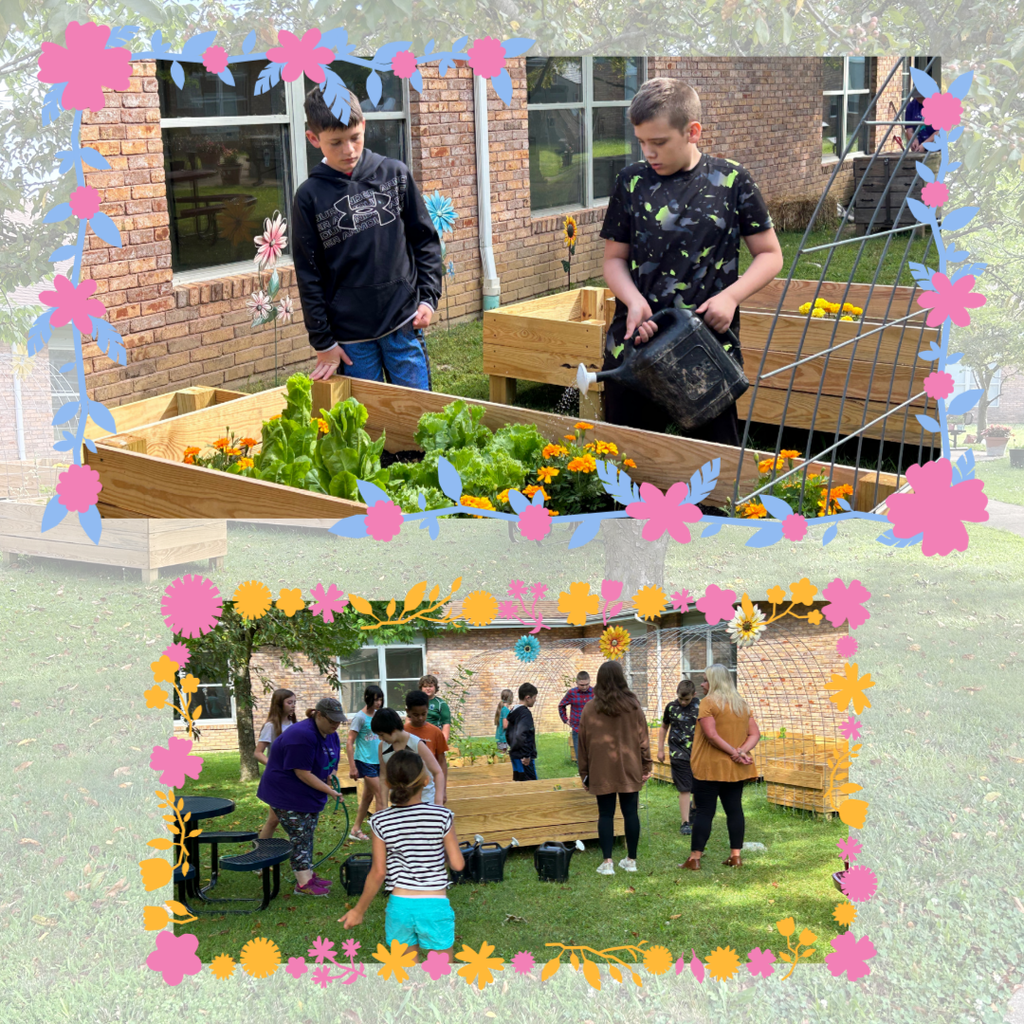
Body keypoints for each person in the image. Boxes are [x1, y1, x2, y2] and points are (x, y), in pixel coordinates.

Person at [599, 77, 784, 446]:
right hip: (635, 344)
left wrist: (731, 298)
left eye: (659, 142)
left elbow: (770, 255)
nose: (649, 153)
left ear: (692, 132)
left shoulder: (731, 180)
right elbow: (613, 260)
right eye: (641, 142)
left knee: (714, 468)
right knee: (624, 461)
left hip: (706, 347)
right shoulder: (630, 181)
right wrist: (635, 301)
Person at [292, 85, 443, 388]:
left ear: (364, 126)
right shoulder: (309, 197)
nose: (348, 150)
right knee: (366, 422)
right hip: (350, 337)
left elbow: (424, 240)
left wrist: (428, 298)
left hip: (403, 321)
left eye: (354, 138)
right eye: (335, 143)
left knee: (418, 413)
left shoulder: (395, 174)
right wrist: (323, 341)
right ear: (313, 139)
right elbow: (309, 274)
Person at [339, 749, 465, 961]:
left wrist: (359, 911)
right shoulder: (442, 816)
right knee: (441, 972)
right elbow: (458, 864)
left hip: (400, 906)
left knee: (407, 972)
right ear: (426, 781)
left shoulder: (380, 821)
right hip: (434, 904)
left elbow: (378, 872)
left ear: (387, 783)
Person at [255, 697, 344, 896]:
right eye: (332, 720)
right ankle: (303, 884)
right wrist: (329, 791)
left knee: (308, 831)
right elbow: (302, 772)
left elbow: (331, 761)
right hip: (285, 791)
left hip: (307, 792)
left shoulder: (330, 734)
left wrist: (331, 776)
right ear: (318, 715)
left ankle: (308, 874)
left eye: (339, 720)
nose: (336, 724)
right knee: (300, 834)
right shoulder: (301, 736)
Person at [682, 664, 761, 871]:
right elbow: (755, 734)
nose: (702, 683)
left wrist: (735, 752)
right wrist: (741, 752)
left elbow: (711, 735)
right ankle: (735, 857)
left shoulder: (708, 702)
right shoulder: (741, 704)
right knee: (735, 810)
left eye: (705, 680)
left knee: (704, 812)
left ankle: (694, 859)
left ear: (715, 681)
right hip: (735, 770)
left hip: (709, 768)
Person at [577, 660, 652, 875]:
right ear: (622, 678)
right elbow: (643, 739)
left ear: (599, 680)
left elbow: (582, 744)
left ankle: (607, 862)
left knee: (606, 814)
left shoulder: (590, 708)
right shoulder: (633, 706)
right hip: (629, 766)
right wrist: (646, 765)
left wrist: (585, 773)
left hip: (601, 769)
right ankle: (631, 860)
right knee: (631, 813)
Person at [372, 707, 446, 807]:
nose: (381, 738)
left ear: (392, 729)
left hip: (424, 801)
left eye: (382, 735)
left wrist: (438, 803)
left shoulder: (417, 744)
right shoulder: (382, 746)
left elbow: (438, 772)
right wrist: (384, 806)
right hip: (399, 801)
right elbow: (383, 777)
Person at [657, 678, 701, 835]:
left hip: (697, 753)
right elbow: (664, 727)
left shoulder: (700, 706)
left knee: (697, 786)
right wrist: (660, 749)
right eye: (680, 698)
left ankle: (694, 810)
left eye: (686, 699)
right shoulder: (671, 707)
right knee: (684, 788)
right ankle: (685, 822)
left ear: (694, 695)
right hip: (678, 753)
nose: (683, 702)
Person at [254, 688, 298, 843]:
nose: (293, 705)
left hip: (295, 779)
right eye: (289, 702)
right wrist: (275, 766)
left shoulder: (295, 725)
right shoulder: (271, 726)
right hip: (278, 780)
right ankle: (259, 859)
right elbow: (258, 752)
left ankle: (299, 856)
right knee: (274, 819)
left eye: (294, 702)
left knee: (296, 820)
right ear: (279, 704)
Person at [347, 685, 384, 842]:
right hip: (364, 761)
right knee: (381, 795)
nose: (379, 703)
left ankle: (355, 830)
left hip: (378, 762)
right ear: (368, 699)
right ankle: (381, 833)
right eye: (376, 699)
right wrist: (352, 767)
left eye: (380, 699)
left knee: (367, 798)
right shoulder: (360, 718)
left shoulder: (378, 716)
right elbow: (349, 742)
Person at [405, 690, 449, 800]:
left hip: (430, 789)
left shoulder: (435, 732)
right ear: (408, 711)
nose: (420, 718)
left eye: (423, 714)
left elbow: (441, 761)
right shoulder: (402, 732)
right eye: (415, 715)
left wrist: (442, 790)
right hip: (407, 787)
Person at [558, 671, 594, 763]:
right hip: (577, 730)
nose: (584, 687)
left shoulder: (595, 693)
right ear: (577, 683)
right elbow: (561, 705)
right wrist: (565, 720)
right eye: (582, 685)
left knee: (593, 757)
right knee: (580, 758)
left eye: (587, 684)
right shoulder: (572, 693)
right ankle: (583, 776)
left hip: (593, 730)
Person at [505, 683, 538, 781]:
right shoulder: (525, 714)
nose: (535, 700)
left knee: (519, 784)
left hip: (515, 755)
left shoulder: (514, 712)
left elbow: (508, 734)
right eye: (534, 697)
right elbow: (521, 734)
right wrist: (526, 755)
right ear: (528, 697)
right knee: (531, 787)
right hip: (524, 759)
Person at [419, 674, 452, 743]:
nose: (428, 689)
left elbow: (446, 724)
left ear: (435, 688)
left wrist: (443, 741)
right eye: (425, 686)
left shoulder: (441, 704)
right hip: (418, 736)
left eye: (431, 686)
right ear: (421, 688)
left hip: (434, 737)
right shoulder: (416, 702)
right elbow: (409, 719)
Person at [494, 688, 513, 753]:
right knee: (503, 757)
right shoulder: (505, 710)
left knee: (502, 757)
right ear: (510, 698)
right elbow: (505, 725)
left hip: (500, 737)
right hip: (503, 738)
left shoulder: (502, 708)